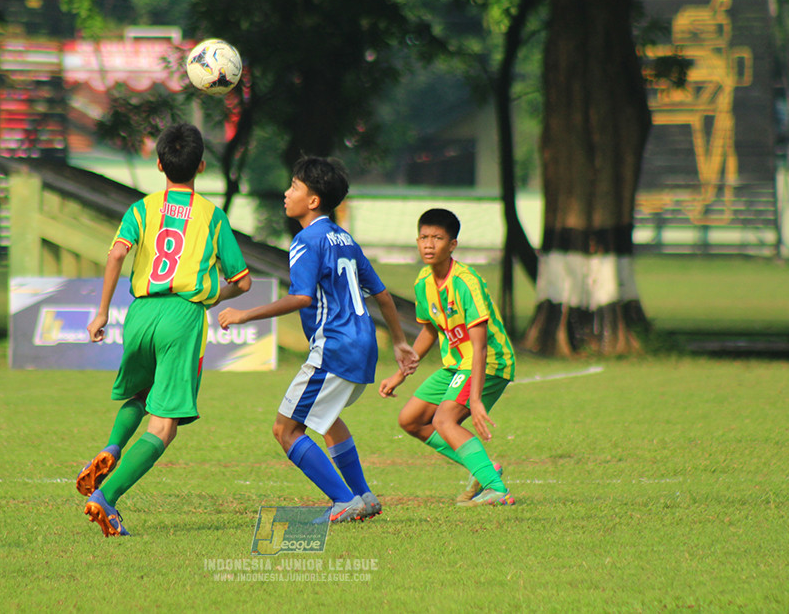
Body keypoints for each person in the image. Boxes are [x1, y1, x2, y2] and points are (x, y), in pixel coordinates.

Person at [77, 122, 252, 537]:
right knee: (164, 424)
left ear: (159, 163)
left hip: (139, 313)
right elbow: (242, 281)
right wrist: (215, 296)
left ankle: (112, 447)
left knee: (141, 393)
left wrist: (102, 312)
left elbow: (117, 254)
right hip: (182, 315)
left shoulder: (142, 208)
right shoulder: (212, 215)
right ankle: (107, 496)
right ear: (203, 166)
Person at [219, 156, 417, 523]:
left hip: (335, 346)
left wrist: (244, 313)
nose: (286, 192)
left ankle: (343, 500)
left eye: (294, 187)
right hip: (363, 344)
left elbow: (301, 298)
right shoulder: (345, 238)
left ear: (312, 200)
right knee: (326, 421)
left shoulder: (306, 239)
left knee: (285, 429)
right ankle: (363, 495)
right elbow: (383, 295)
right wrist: (400, 342)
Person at [378, 208, 516, 506]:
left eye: (438, 238)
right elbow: (430, 331)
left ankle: (497, 490)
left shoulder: (466, 282)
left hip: (489, 361)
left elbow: (479, 345)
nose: (429, 244)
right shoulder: (423, 282)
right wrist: (400, 374)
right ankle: (483, 467)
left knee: (444, 420)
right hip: (455, 365)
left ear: (452, 244)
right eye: (424, 237)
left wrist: (475, 399)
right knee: (411, 420)